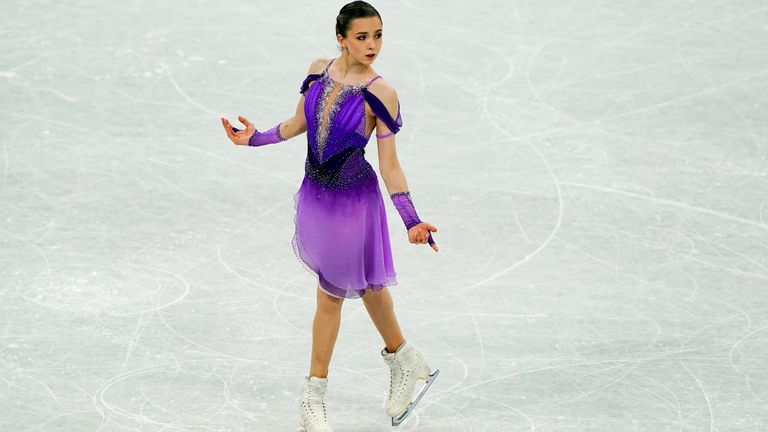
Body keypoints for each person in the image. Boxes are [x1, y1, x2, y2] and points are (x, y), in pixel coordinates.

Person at [220, 1, 439, 430]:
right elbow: (299, 122)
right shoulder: (319, 70)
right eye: (362, 37)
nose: (372, 45)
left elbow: (390, 163)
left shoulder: (382, 92)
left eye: (378, 35)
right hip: (317, 194)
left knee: (330, 294)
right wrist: (255, 139)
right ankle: (406, 359)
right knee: (369, 287)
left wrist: (411, 218)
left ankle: (313, 395)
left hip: (355, 201)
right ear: (341, 38)